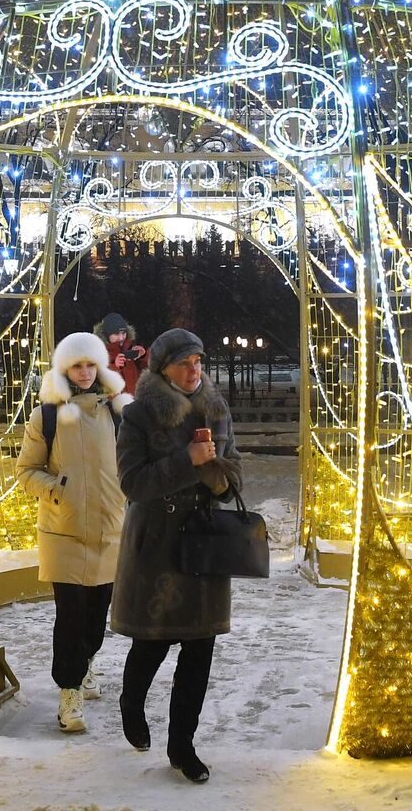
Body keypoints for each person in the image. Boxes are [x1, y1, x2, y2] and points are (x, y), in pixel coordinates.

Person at [112, 328, 241, 784]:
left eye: (199, 361)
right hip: (158, 543)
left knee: (199, 647)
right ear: (162, 367)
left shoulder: (216, 407)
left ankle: (182, 745)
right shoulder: (139, 415)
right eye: (185, 363)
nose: (194, 371)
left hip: (204, 544)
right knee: (153, 640)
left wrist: (219, 477)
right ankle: (131, 701)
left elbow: (235, 473)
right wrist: (187, 461)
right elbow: (133, 483)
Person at [16, 332, 131, 735]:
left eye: (90, 365)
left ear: (99, 367)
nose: (84, 373)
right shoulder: (46, 415)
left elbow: (133, 465)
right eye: (76, 366)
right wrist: (58, 491)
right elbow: (26, 471)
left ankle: (87, 664)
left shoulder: (119, 411)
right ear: (64, 369)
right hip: (63, 530)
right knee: (70, 615)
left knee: (98, 614)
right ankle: (69, 691)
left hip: (110, 529)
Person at [95, 313, 149, 395]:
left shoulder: (131, 347)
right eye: (116, 334)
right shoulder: (99, 353)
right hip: (116, 404)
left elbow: (150, 369)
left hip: (137, 401)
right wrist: (115, 367)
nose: (121, 338)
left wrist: (144, 355)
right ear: (107, 335)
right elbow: (97, 379)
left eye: (123, 333)